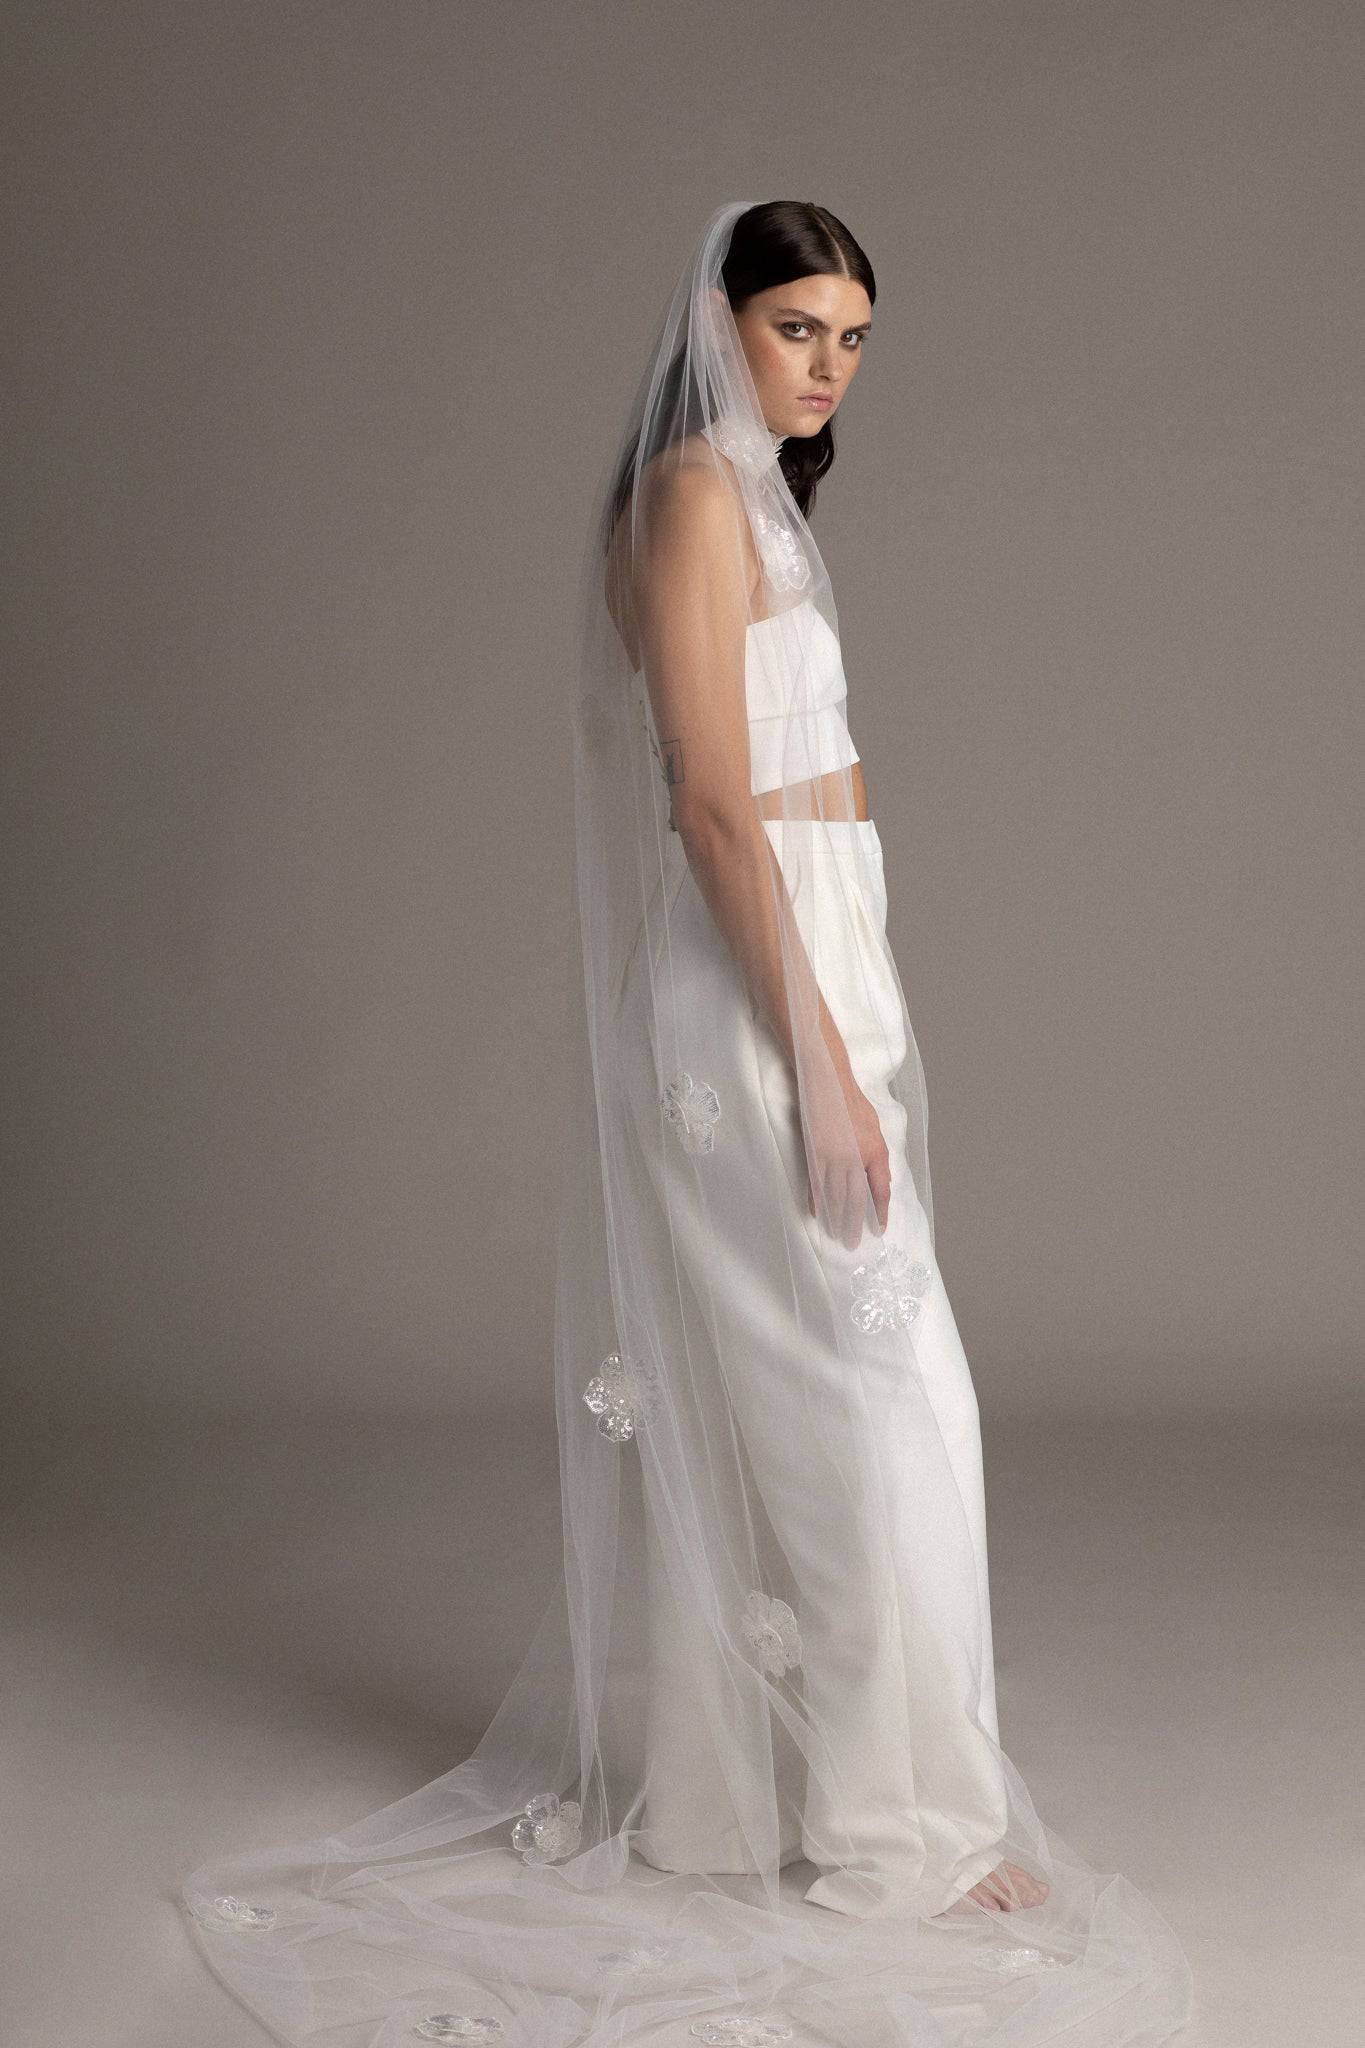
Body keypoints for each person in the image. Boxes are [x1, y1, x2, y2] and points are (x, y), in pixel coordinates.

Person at [181, 199, 1194, 2048]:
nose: (827, 366)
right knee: (871, 1407)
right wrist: (805, 1044)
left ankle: (823, 1801)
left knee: (847, 1400)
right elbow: (717, 812)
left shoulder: (758, 499)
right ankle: (892, 1832)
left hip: (822, 947)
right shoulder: (691, 501)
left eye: (855, 339)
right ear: (715, 322)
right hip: (754, 987)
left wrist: (842, 995)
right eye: (797, 326)